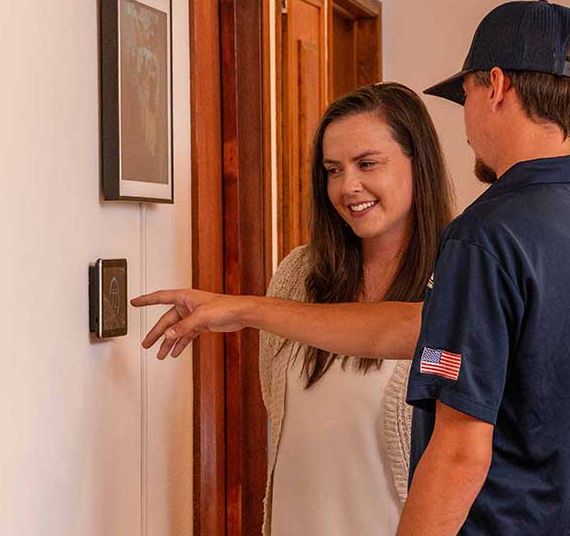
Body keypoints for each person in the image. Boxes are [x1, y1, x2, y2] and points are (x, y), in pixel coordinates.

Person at [132, 82, 454, 535]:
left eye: (367, 164)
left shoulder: (459, 281)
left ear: (418, 163)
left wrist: (245, 309)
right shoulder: (298, 274)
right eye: (332, 169)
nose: (348, 187)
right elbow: (281, 432)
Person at [396, 1, 570, 535]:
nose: (464, 120)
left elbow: (461, 454)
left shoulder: (482, 238)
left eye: (466, 95)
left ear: (497, 85)